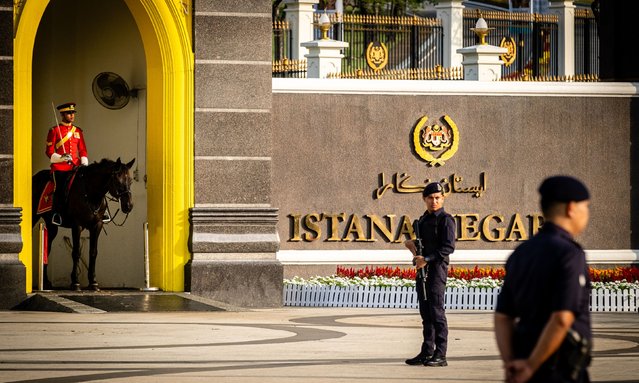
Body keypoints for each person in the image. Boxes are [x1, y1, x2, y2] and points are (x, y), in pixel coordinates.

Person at [495, 175, 592, 383]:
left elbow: (502, 317)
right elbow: (561, 318)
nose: (587, 214)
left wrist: (512, 364)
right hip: (559, 368)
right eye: (586, 207)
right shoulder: (569, 254)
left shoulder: (521, 253)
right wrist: (531, 365)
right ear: (571, 208)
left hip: (522, 366)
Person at [404, 182, 456, 367]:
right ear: (424, 199)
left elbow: (448, 248)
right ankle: (427, 352)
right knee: (426, 313)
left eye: (437, 198)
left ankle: (440, 354)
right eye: (430, 198)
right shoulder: (422, 221)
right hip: (423, 270)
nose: (434, 201)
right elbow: (421, 248)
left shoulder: (446, 220)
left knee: (436, 312)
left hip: (436, 270)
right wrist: (413, 250)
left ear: (442, 199)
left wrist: (426, 258)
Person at [46, 102, 89, 225]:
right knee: (59, 188)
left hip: (75, 166)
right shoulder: (54, 131)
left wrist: (84, 163)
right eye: (69, 113)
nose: (71, 115)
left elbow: (82, 150)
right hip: (59, 167)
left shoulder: (78, 131)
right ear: (62, 114)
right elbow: (49, 151)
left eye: (73, 113)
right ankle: (56, 214)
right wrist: (61, 158)